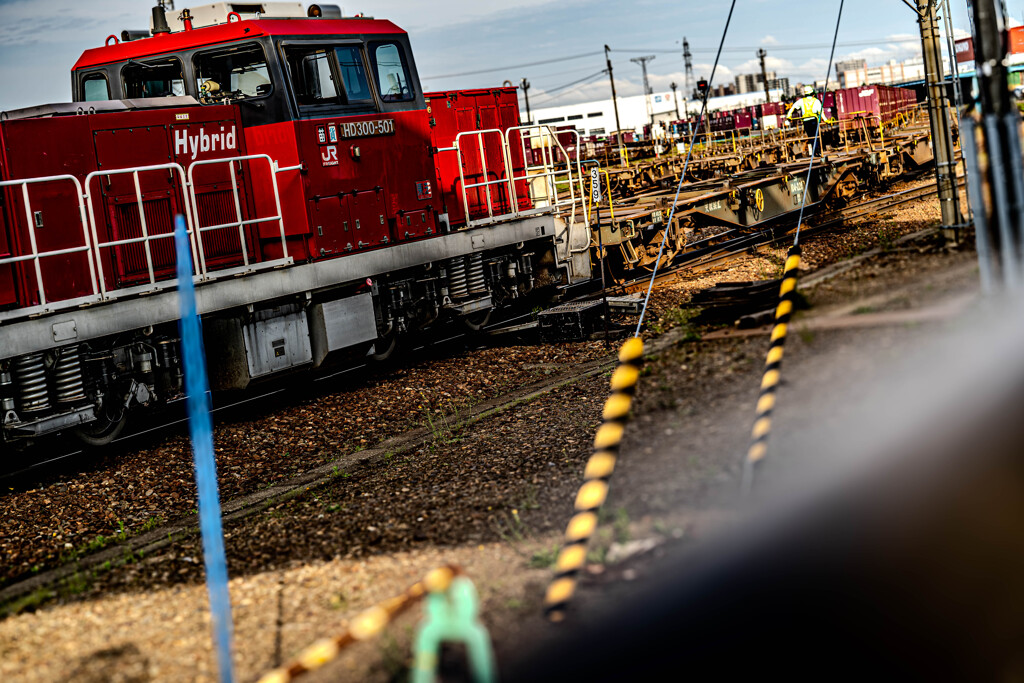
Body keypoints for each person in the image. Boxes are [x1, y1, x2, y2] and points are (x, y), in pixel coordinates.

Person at [787, 85, 824, 153]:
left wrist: (789, 116)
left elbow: (793, 107)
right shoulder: (816, 101)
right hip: (813, 120)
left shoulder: (801, 101)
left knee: (810, 136)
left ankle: (814, 150)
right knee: (816, 135)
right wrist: (826, 120)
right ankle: (817, 151)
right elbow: (821, 112)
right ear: (813, 94)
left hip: (806, 121)